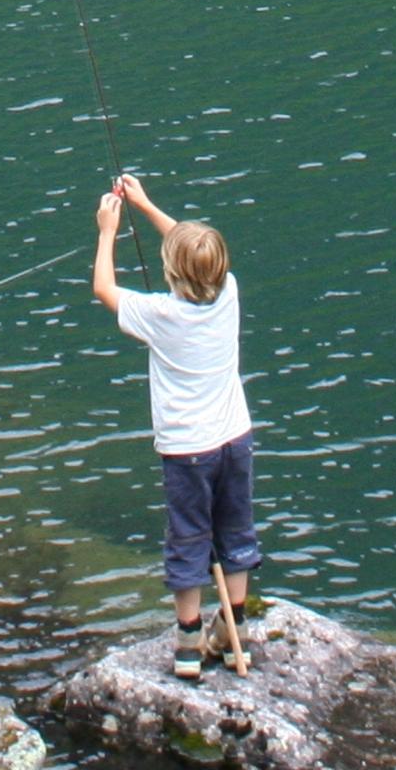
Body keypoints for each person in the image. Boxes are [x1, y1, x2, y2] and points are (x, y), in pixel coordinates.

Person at [93, 171, 260, 681]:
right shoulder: (228, 290)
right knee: (235, 532)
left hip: (188, 452)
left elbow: (103, 287)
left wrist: (107, 229)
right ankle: (236, 638)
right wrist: (147, 206)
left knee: (189, 538)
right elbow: (195, 253)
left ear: (172, 272)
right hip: (236, 439)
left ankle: (189, 644)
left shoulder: (159, 313)